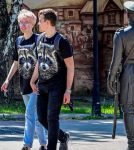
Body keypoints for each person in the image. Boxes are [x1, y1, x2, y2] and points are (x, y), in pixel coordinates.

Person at [1, 9, 47, 150]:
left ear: (32, 23)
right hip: (24, 83)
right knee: (37, 117)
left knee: (29, 114)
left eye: (26, 22)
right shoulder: (18, 41)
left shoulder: (39, 39)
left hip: (37, 84)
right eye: (20, 22)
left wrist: (37, 81)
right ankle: (44, 144)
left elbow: (43, 62)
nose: (23, 25)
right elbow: (16, 62)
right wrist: (7, 80)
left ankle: (26, 145)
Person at [107, 1, 134, 150]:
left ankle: (132, 146)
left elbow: (116, 60)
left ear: (128, 14)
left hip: (128, 74)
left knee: (129, 109)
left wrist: (110, 79)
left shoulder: (121, 34)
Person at [30, 9, 74, 150]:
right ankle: (63, 137)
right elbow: (39, 60)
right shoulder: (40, 38)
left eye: (40, 20)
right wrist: (32, 80)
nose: (38, 23)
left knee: (52, 118)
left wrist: (68, 90)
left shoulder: (62, 42)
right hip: (42, 85)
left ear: (48, 22)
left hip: (57, 86)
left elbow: (71, 67)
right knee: (42, 118)